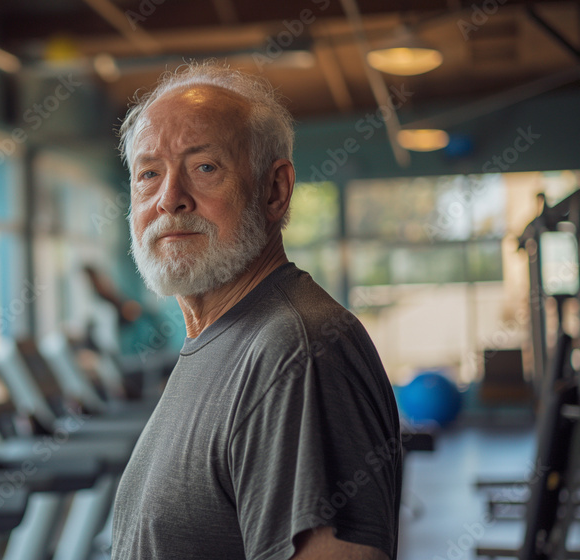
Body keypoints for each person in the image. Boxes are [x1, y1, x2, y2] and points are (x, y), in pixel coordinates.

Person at [110, 62, 401, 560]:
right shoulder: (222, 339)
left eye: (204, 168)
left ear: (274, 190)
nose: (170, 199)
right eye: (149, 174)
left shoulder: (295, 352)